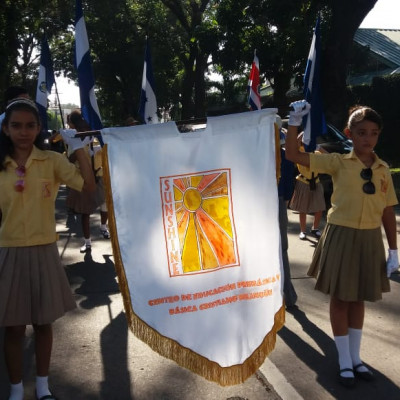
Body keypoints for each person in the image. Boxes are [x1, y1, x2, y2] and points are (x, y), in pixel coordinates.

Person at [285, 100, 398, 388]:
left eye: (373, 133)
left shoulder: (383, 169)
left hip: (370, 238)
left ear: (378, 135)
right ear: (349, 134)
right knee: (340, 298)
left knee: (358, 298)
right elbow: (293, 154)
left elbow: (387, 210)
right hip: (341, 235)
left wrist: (394, 249)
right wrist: (295, 121)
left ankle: (356, 358)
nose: (367, 138)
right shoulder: (337, 162)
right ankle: (344, 360)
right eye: (361, 132)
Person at [0, 99, 95, 400]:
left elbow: (88, 188)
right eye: (16, 125)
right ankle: (16, 389)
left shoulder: (51, 162)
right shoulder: (0, 165)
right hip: (9, 250)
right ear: (5, 128)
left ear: (39, 127)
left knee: (43, 324)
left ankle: (43, 387)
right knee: (13, 329)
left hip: (44, 251)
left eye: (30, 125)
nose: (23, 132)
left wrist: (78, 148)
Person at [66, 110, 110, 253]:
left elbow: (106, 153)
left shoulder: (96, 136)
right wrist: (79, 146)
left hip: (100, 175)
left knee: (105, 207)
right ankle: (87, 242)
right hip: (83, 179)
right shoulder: (73, 138)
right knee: (85, 212)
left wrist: (97, 146)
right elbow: (70, 160)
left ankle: (103, 227)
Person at [276, 117, 298, 307]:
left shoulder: (258, 154)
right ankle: (287, 294)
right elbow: (290, 183)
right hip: (278, 202)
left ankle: (283, 294)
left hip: (271, 202)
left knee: (276, 249)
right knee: (281, 249)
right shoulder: (286, 155)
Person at [289, 132, 325, 240]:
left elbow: (330, 156)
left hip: (316, 182)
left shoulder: (317, 153)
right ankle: (303, 231)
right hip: (303, 181)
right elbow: (294, 144)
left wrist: (318, 147)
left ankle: (315, 228)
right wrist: (305, 131)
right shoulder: (300, 151)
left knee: (320, 207)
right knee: (302, 208)